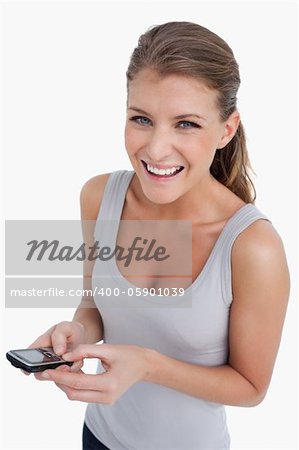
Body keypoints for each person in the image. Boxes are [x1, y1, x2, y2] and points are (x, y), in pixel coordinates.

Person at [28, 21, 290, 450]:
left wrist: (149, 365)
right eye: (142, 119)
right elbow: (94, 304)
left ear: (226, 130)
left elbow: (251, 388)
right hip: (98, 437)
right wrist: (76, 332)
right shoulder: (99, 197)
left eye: (185, 124)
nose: (155, 148)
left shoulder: (251, 246)